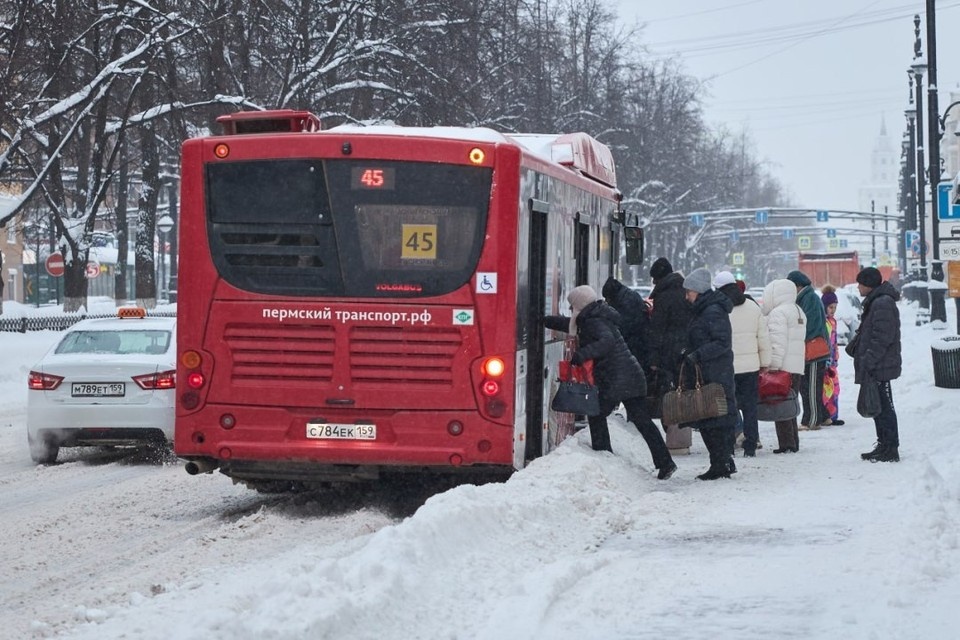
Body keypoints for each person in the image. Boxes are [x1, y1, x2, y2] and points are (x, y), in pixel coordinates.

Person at [545, 285, 677, 479]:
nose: (572, 310)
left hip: (620, 379)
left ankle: (603, 453)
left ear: (579, 305)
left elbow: (606, 341)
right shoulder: (595, 316)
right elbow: (573, 325)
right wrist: (546, 321)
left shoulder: (594, 321)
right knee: (642, 422)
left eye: (572, 305)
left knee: (597, 414)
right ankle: (665, 462)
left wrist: (583, 354)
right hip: (628, 376)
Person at [680, 268, 738, 480]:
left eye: (689, 292)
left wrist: (698, 354)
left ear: (698, 290)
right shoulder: (704, 309)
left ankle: (720, 464)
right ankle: (722, 461)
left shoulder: (712, 311)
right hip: (709, 371)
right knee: (710, 418)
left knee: (715, 419)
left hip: (716, 372)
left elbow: (722, 342)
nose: (687, 296)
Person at [715, 271, 771, 457]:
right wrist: (765, 362)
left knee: (728, 408)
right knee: (750, 408)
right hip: (750, 367)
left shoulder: (719, 307)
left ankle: (729, 445)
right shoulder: (752, 307)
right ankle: (751, 445)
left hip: (726, 366)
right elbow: (763, 338)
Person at [850, 267, 902, 462]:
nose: (857, 287)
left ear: (869, 284)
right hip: (877, 365)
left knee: (885, 407)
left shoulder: (882, 303)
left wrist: (869, 359)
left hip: (880, 365)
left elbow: (882, 337)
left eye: (860, 283)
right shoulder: (877, 301)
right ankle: (883, 444)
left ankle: (891, 448)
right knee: (878, 406)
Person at [647, 257, 694, 454]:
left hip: (668, 353)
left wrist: (654, 360)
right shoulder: (685, 291)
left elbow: (657, 331)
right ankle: (682, 439)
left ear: (658, 278)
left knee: (669, 395)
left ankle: (674, 440)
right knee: (684, 393)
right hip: (688, 351)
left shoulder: (663, 297)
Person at [760, 278, 807, 453]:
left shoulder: (778, 313)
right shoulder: (798, 310)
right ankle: (794, 441)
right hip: (796, 366)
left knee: (781, 406)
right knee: (791, 404)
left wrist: (772, 365)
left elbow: (777, 343)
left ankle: (786, 444)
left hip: (783, 367)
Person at [785, 270, 830, 430]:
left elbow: (810, 325)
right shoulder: (806, 297)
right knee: (809, 386)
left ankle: (812, 420)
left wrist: (795, 335)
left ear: (798, 286)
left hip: (814, 351)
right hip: (811, 350)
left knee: (811, 387)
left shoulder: (808, 298)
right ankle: (823, 416)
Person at [820, 285, 844, 426]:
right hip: (826, 362)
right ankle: (826, 415)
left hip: (833, 362)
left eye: (835, 307)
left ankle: (833, 415)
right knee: (827, 389)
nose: (833, 310)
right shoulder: (824, 323)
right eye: (830, 307)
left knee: (835, 388)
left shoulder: (833, 322)